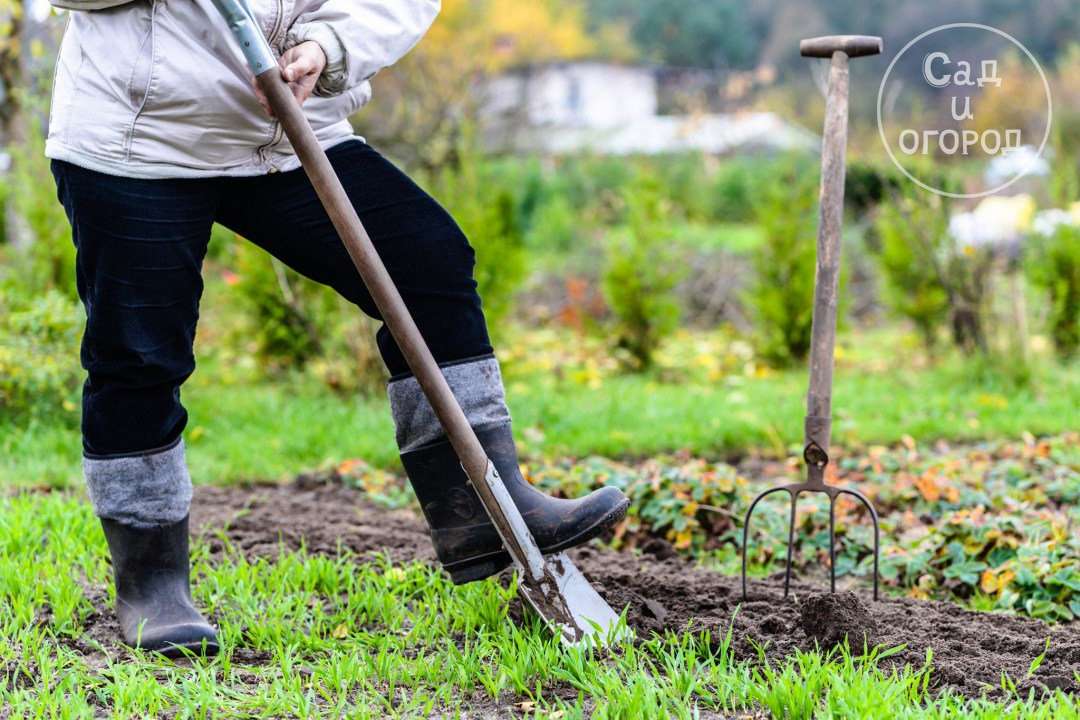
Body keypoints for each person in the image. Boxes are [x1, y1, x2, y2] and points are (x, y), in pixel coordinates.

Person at [47, 0, 629, 657]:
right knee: (140, 351)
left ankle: (481, 503)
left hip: (289, 126)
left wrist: (330, 46)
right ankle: (152, 583)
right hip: (141, 139)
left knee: (424, 262)